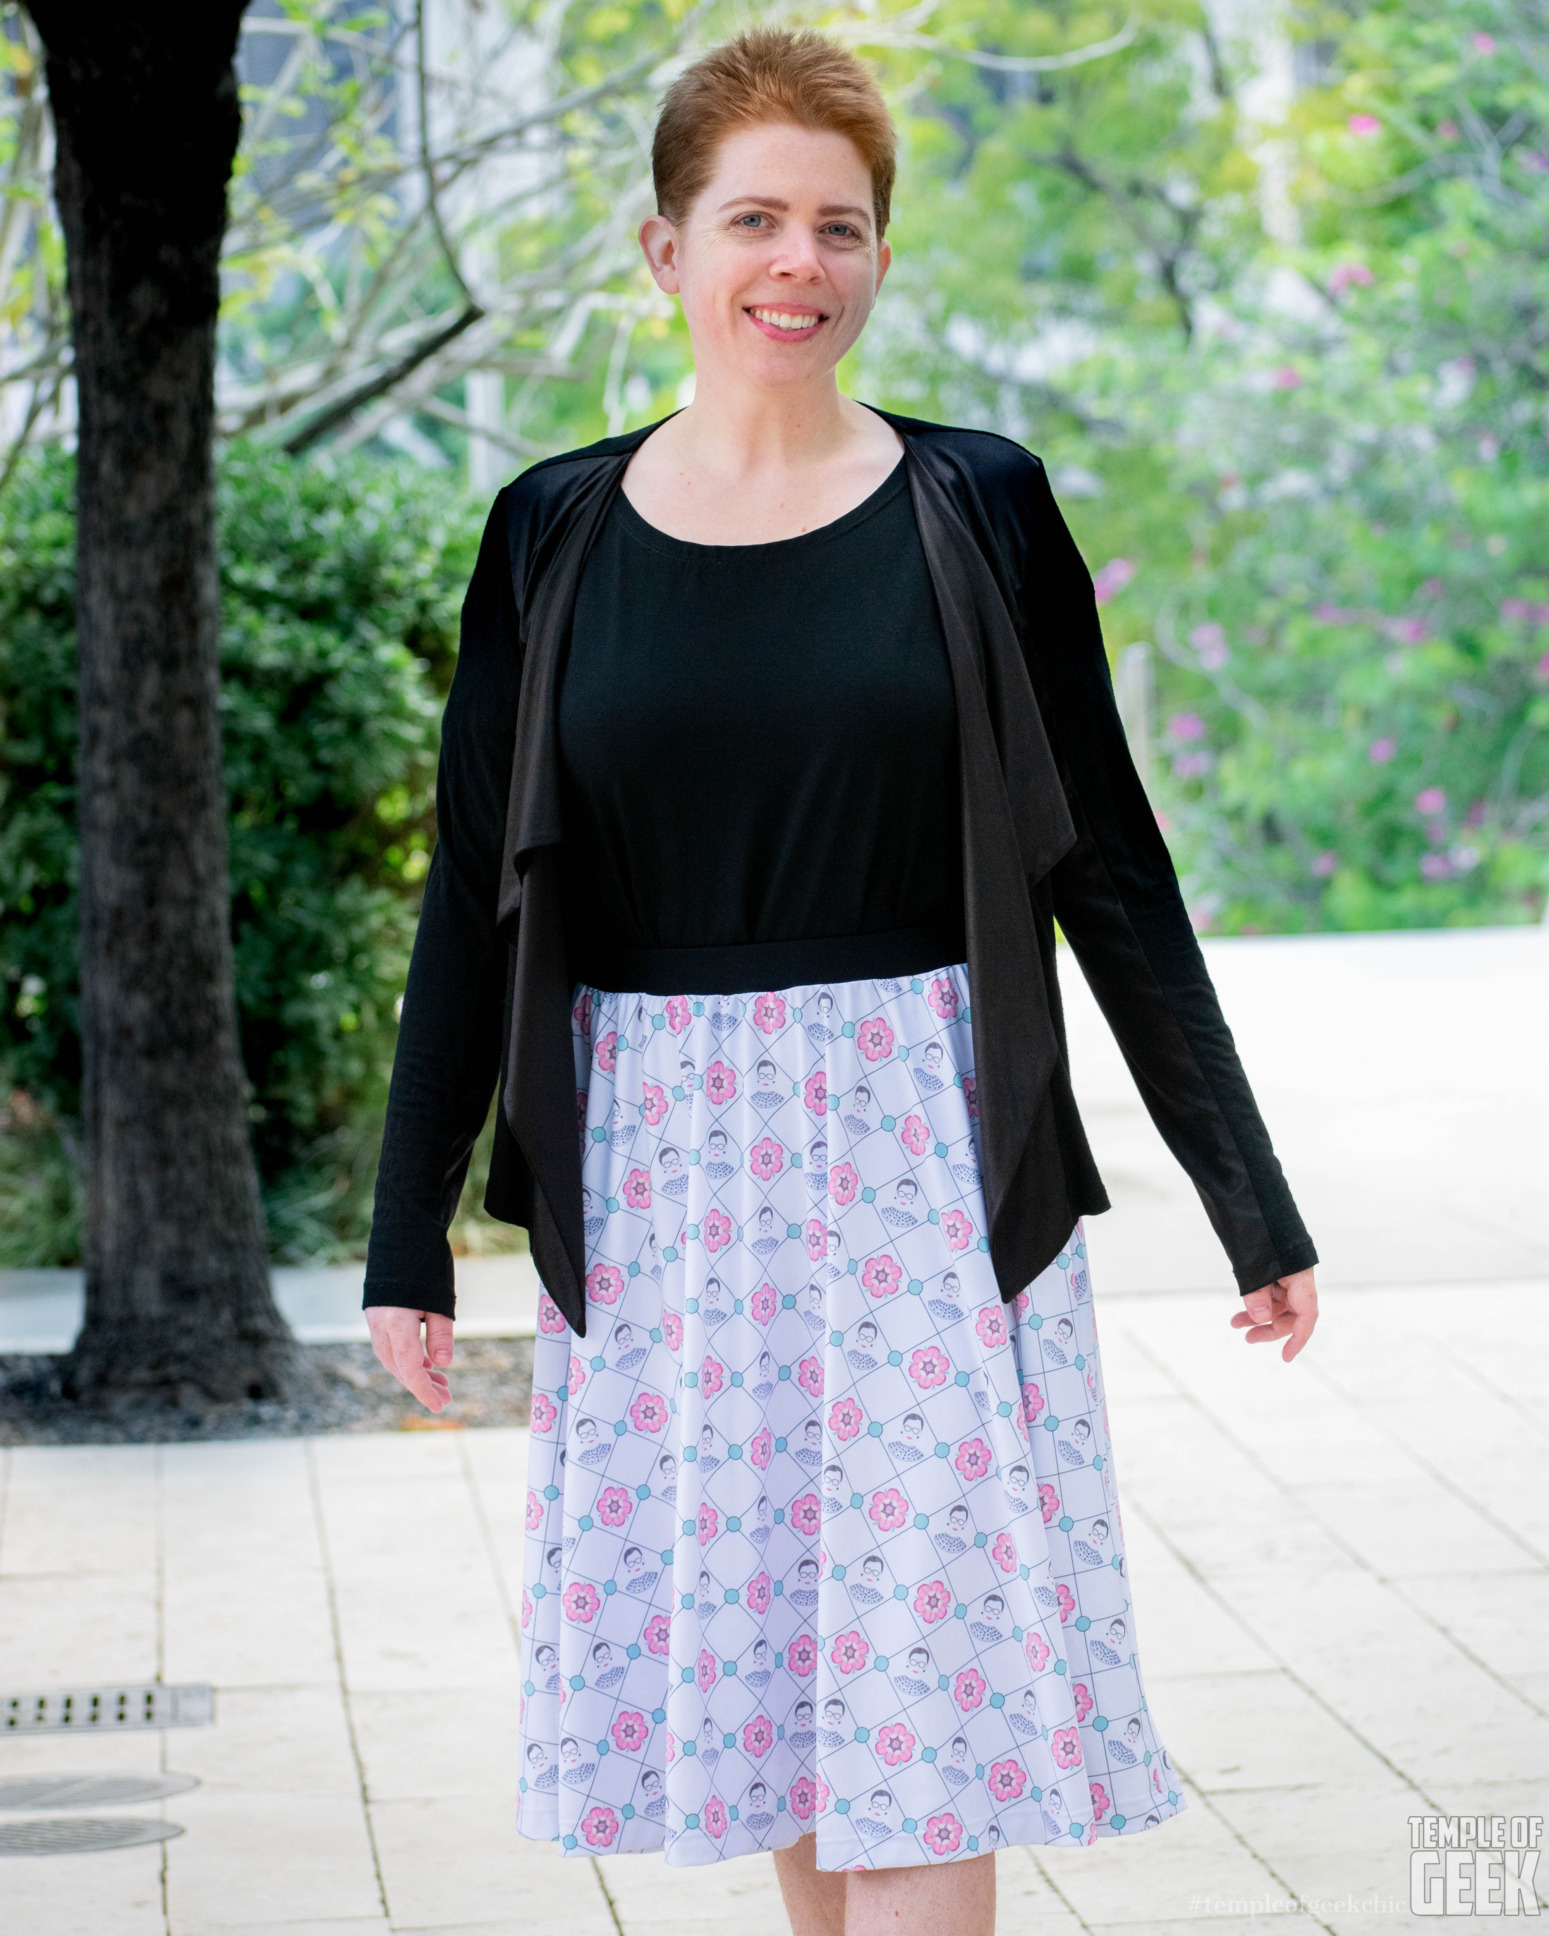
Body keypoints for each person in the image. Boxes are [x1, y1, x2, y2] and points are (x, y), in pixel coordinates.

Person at [361, 27, 1318, 1936]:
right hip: (665, 1184)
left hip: (922, 1164)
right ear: (665, 251)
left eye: (840, 225)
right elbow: (478, 886)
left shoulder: (975, 504)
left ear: (879, 257)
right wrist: (405, 1236)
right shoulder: (552, 529)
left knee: (924, 1709)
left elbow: (1104, 861)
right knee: (788, 1707)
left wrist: (1245, 1194)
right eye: (754, 220)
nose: (797, 262)